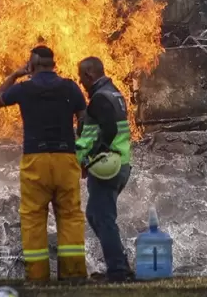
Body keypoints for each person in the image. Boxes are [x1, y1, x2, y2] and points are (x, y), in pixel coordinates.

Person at [0, 46, 88, 282]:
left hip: (36, 160)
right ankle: (73, 274)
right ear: (53, 65)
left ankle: (37, 277)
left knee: (33, 218)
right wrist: (83, 151)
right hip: (66, 159)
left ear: (32, 65)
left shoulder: (24, 88)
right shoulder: (70, 87)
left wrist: (15, 75)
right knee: (70, 216)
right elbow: (84, 119)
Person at [75, 57, 133, 283]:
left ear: (89, 74)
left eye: (81, 77)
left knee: (102, 217)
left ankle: (118, 270)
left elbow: (107, 130)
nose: (80, 81)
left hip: (107, 167)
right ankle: (120, 263)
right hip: (120, 163)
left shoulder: (100, 98)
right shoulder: (114, 93)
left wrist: (92, 156)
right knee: (96, 215)